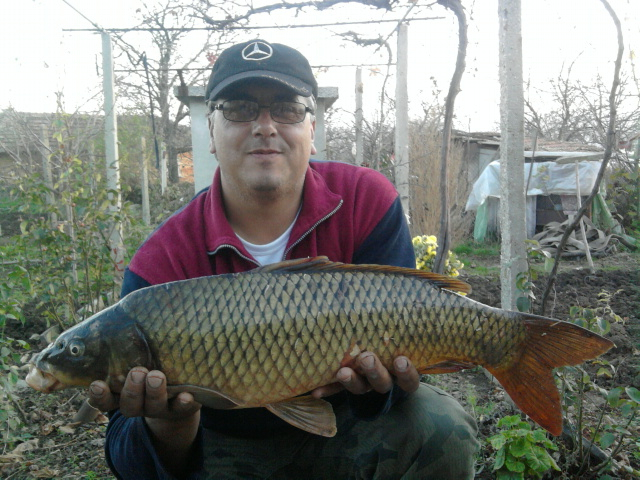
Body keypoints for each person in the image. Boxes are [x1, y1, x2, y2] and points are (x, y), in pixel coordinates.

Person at [88, 39, 479, 480]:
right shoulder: (160, 262)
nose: (265, 126)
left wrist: (378, 389)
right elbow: (128, 460)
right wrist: (169, 424)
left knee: (439, 425)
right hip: (220, 442)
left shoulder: (366, 200)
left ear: (312, 129)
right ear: (211, 131)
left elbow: (395, 383)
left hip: (346, 424)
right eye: (239, 108)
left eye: (287, 109)